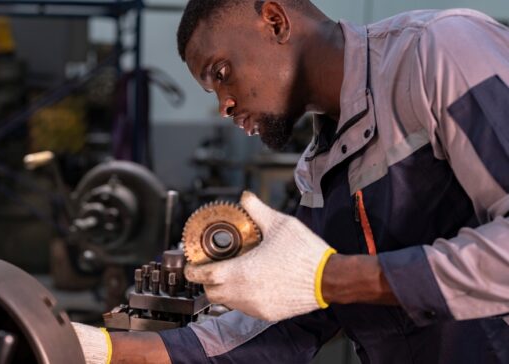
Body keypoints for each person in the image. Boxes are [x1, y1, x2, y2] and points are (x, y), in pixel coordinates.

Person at [73, 0, 509, 362]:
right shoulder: (319, 170)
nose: (224, 105)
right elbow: (295, 320)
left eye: (221, 73)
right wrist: (109, 350)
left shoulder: (437, 51)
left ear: (276, 22)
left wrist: (335, 276)